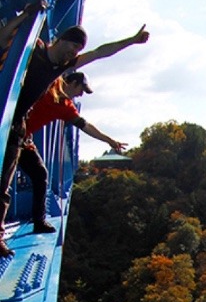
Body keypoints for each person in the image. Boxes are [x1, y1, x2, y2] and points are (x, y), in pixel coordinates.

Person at [0, 22, 149, 256]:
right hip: (5, 118)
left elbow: (100, 53)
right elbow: (5, 40)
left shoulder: (65, 102)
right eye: (73, 46)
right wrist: (25, 17)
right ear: (60, 39)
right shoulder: (34, 50)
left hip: (18, 129)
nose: (74, 53)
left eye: (78, 51)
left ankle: (32, 222)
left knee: (25, 177)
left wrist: (131, 40)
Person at [21, 71, 127, 233]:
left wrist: (109, 141)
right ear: (73, 83)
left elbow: (86, 126)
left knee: (40, 174)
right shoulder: (50, 83)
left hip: (23, 139)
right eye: (81, 90)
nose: (81, 95)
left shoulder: (65, 108)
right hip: (10, 132)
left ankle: (39, 222)